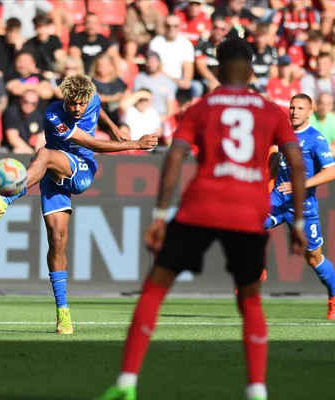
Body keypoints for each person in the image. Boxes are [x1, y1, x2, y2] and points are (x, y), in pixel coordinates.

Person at [94, 38, 307, 400]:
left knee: (156, 288)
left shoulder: (201, 108)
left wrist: (161, 215)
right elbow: (297, 164)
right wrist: (298, 222)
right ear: (252, 69)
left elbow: (175, 160)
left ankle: (126, 384)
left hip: (200, 207)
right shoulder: (271, 111)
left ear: (220, 70)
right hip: (248, 212)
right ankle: (257, 390)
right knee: (250, 299)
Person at [0, 74, 159, 334]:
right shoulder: (53, 115)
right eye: (73, 104)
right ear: (65, 100)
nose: (78, 109)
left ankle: (4, 200)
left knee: (44, 154)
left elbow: (96, 117)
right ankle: (63, 314)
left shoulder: (91, 100)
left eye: (82, 103)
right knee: (56, 240)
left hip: (81, 169)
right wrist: (134, 144)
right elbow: (91, 141)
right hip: (53, 172)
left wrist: (115, 129)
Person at [265, 93, 335, 320]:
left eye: (300, 108)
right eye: (292, 107)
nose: (294, 112)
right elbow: (276, 163)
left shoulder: (316, 139)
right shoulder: (282, 135)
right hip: (277, 199)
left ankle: (334, 298)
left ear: (309, 113)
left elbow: (331, 171)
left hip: (303, 206)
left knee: (314, 258)